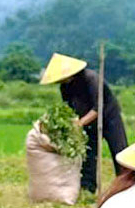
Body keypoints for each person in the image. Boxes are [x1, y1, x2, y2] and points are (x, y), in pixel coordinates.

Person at [40, 53, 128, 194]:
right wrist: (70, 122)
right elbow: (69, 108)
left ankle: (126, 187)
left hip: (109, 118)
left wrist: (79, 123)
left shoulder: (91, 79)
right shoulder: (65, 87)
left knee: (119, 152)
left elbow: (98, 107)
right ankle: (88, 189)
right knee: (88, 154)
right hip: (87, 122)